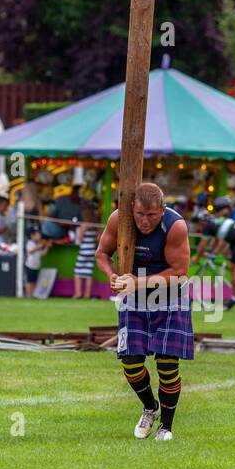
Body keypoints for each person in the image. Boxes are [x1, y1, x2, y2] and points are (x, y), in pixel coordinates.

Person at [95, 182, 192, 441]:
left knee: (167, 362)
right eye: (140, 215)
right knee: (130, 360)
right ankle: (150, 408)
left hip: (169, 295)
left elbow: (180, 272)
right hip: (134, 296)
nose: (145, 221)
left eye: (151, 215)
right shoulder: (119, 219)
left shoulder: (175, 226)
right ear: (132, 208)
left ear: (162, 209)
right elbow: (102, 253)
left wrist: (137, 282)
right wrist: (112, 275)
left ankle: (166, 427)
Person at [194, 209, 235, 305]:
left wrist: (197, 257)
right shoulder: (216, 223)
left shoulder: (208, 226)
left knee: (234, 269)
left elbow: (202, 245)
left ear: (202, 222)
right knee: (227, 254)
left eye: (196, 224)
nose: (197, 227)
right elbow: (217, 242)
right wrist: (213, 253)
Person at [72, 202, 99, 299]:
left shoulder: (84, 224)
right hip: (91, 251)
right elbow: (97, 238)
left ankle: (78, 293)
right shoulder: (95, 225)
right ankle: (87, 294)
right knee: (88, 273)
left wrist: (81, 231)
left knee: (77, 272)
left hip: (84, 251)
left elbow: (79, 238)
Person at [24, 227, 45, 296]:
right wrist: (39, 246)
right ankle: (28, 294)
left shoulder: (38, 244)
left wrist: (47, 246)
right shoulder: (30, 243)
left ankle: (32, 294)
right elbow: (30, 250)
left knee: (34, 281)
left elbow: (43, 254)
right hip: (30, 265)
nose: (39, 236)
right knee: (29, 281)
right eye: (37, 234)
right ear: (32, 236)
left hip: (36, 266)